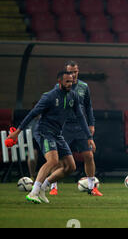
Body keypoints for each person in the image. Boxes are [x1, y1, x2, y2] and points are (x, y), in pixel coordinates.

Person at [7, 71, 95, 204]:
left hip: (57, 134)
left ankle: (43, 187)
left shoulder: (73, 96)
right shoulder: (49, 96)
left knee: (71, 167)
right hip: (44, 131)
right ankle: (33, 192)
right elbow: (32, 114)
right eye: (67, 81)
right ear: (59, 82)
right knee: (53, 161)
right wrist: (17, 131)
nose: (70, 84)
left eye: (71, 81)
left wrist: (89, 137)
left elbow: (80, 117)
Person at [49, 61, 101, 196]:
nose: (73, 74)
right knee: (58, 158)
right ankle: (53, 186)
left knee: (89, 155)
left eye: (75, 71)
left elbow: (88, 106)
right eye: (70, 72)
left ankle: (92, 187)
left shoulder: (84, 86)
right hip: (64, 126)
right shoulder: (59, 86)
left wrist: (91, 124)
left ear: (78, 71)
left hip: (80, 126)